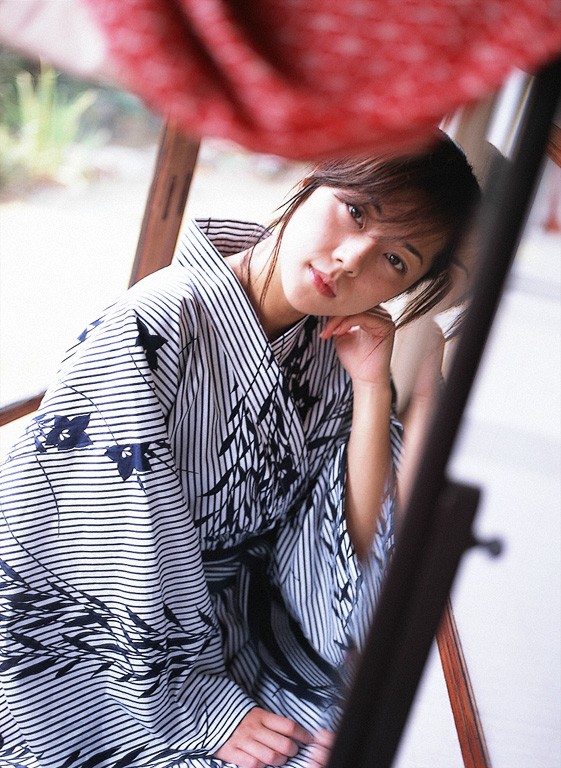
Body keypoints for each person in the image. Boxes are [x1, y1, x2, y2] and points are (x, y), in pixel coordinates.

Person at [0, 130, 480, 768]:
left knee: (366, 741)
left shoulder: (328, 353)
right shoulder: (157, 320)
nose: (351, 260)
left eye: (395, 260)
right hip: (95, 660)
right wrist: (206, 709)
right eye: (356, 212)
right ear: (313, 179)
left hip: (232, 627)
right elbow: (102, 550)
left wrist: (371, 389)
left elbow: (351, 544)